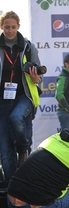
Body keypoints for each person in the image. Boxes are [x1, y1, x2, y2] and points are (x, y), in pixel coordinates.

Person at [0, 11, 42, 179]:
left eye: (13, 27)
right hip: (2, 100)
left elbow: (39, 73)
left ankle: (23, 149)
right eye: (6, 27)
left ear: (18, 27)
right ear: (1, 27)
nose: (10, 30)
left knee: (16, 118)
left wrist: (36, 78)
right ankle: (12, 189)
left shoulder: (27, 46)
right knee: (5, 150)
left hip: (24, 96)